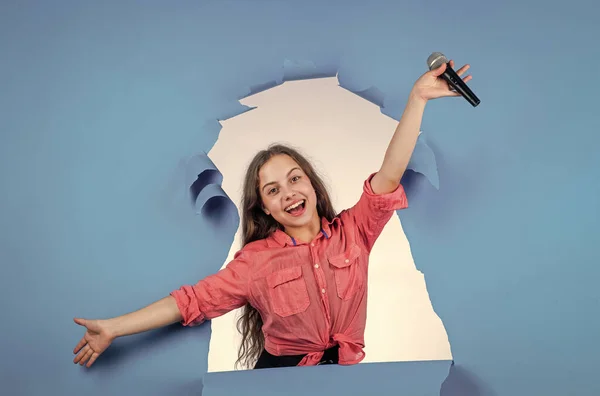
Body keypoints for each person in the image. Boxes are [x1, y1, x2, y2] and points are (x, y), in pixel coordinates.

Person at [72, 60, 472, 369]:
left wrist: (417, 99)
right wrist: (113, 327)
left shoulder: (355, 231)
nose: (289, 193)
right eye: (273, 190)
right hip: (279, 380)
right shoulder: (256, 262)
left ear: (312, 186)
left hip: (346, 377)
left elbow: (389, 173)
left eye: (295, 179)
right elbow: (192, 301)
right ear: (265, 207)